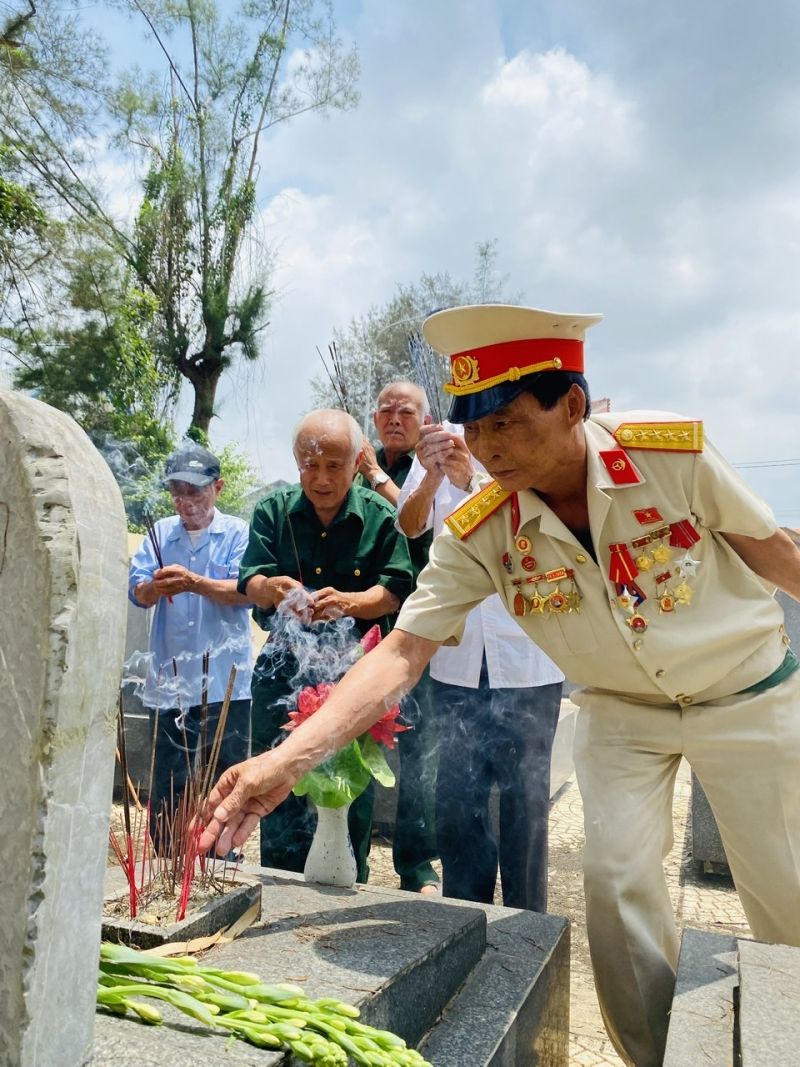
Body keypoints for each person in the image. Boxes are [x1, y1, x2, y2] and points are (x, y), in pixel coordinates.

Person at [200, 305, 800, 1067]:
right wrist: (286, 760)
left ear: (572, 405)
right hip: (624, 711)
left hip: (746, 691)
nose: (487, 448)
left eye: (508, 423)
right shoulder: (482, 527)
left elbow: (774, 551)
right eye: (473, 429)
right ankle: (654, 1056)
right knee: (615, 889)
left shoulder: (666, 455)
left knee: (785, 888)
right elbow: (403, 652)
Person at [237, 408, 413, 882]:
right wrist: (269, 589)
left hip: (354, 672)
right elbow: (248, 581)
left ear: (358, 462)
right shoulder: (272, 511)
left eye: (333, 466)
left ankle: (344, 884)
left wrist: (353, 602)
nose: (320, 478)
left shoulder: (380, 516)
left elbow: (395, 590)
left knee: (348, 789)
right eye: (309, 465)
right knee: (277, 782)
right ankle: (278, 886)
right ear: (297, 463)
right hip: (283, 673)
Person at [397, 420, 563, 911]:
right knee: (458, 800)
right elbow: (409, 525)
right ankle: (464, 913)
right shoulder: (437, 440)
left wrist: (472, 479)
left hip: (527, 657)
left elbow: (540, 518)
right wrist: (430, 475)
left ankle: (528, 921)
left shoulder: (531, 436)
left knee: (527, 804)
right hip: (457, 658)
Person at [128, 442, 253, 852]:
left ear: (218, 487)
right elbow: (138, 593)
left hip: (226, 681)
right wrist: (152, 587)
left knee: (226, 778)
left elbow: (245, 593)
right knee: (170, 779)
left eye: (195, 491)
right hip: (170, 682)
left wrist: (194, 583)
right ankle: (166, 859)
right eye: (177, 491)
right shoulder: (159, 534)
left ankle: (222, 857)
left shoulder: (237, 533)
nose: (186, 502)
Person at [355, 380, 440, 895]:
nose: (392, 418)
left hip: (421, 632)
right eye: (384, 410)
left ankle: (417, 865)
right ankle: (351, 854)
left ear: (424, 419)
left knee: (421, 749)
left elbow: (420, 527)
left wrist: (374, 474)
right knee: (355, 738)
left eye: (404, 411)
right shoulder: (354, 469)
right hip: (367, 627)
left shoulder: (437, 466)